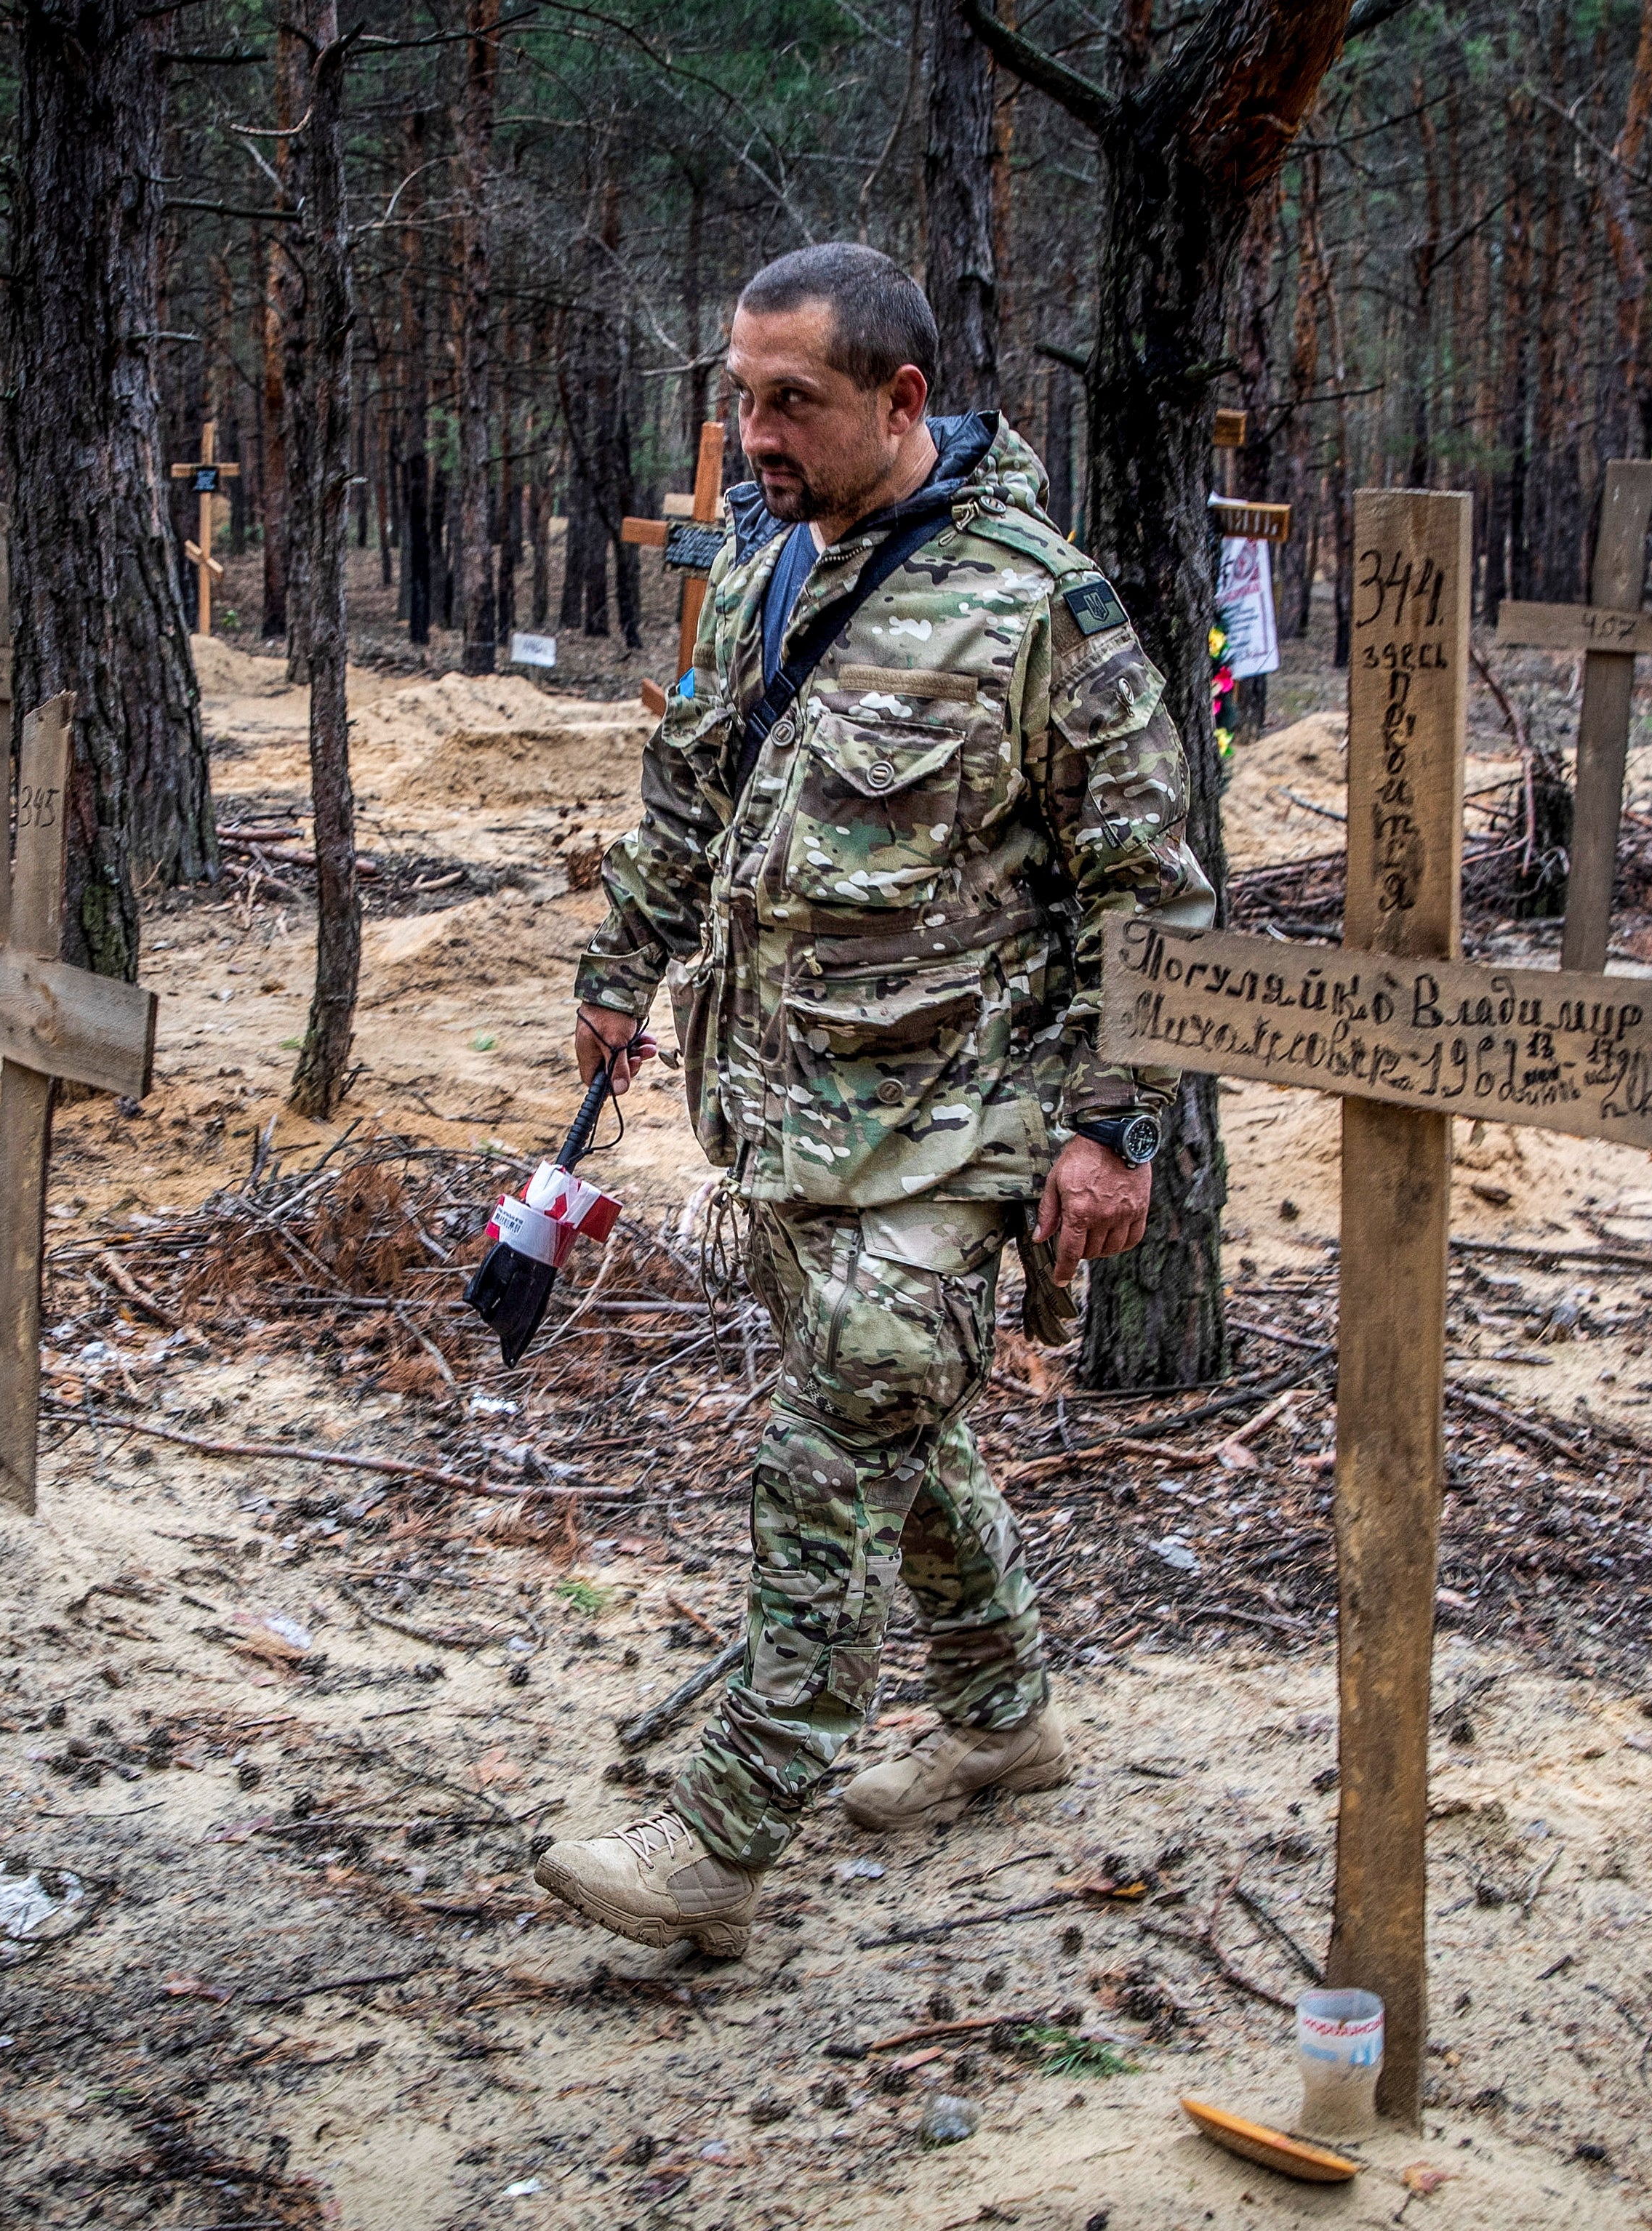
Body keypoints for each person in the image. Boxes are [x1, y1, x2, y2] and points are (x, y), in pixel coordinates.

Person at [532, 242, 1214, 1957]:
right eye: (737, 396)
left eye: (792, 402)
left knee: (830, 1448)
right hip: (780, 1115)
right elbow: (692, 786)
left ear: (902, 403)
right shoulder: (770, 569)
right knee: (901, 1433)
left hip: (962, 1122)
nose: (752, 433)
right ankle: (1003, 1718)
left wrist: (1110, 1125)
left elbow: (1157, 899)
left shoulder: (1039, 607)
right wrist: (622, 978)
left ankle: (722, 1842)